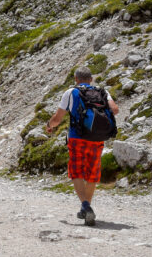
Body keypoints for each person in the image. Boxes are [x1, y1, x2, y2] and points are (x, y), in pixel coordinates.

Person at [46, 67, 119, 227]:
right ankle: (86, 208)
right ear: (91, 79)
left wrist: (49, 125)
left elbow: (58, 118)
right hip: (97, 138)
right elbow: (115, 109)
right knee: (93, 172)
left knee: (77, 171)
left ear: (76, 79)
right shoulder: (103, 92)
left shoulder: (71, 92)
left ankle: (86, 206)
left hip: (77, 137)